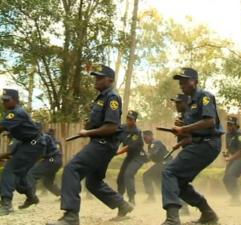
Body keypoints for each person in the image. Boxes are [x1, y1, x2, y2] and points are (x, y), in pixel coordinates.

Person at [47, 65, 132, 225]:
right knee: (93, 182)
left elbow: (112, 127)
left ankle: (71, 216)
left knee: (72, 169)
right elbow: (98, 123)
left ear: (110, 80)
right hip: (102, 144)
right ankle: (123, 205)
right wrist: (89, 127)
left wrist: (87, 133)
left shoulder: (112, 97)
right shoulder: (101, 98)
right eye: (96, 77)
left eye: (100, 77)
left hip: (103, 143)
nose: (96, 80)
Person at [161, 68, 223, 225]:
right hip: (200, 143)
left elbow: (210, 122)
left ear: (195, 81)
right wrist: (183, 128)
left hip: (208, 143)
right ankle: (208, 214)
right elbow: (192, 133)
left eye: (185, 81)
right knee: (179, 182)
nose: (182, 84)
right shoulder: (189, 104)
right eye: (180, 82)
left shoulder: (204, 96)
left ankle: (173, 218)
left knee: (169, 172)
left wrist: (184, 129)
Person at [0, 89, 46, 216]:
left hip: (32, 144)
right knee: (19, 174)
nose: (4, 102)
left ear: (15, 100)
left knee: (9, 170)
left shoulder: (15, 113)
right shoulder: (12, 113)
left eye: (7, 100)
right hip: (29, 144)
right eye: (3, 100)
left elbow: (1, 128)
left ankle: (6, 204)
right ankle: (31, 197)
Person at [18, 123, 62, 209]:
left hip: (51, 160)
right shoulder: (42, 137)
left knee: (31, 174)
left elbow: (40, 153)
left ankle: (31, 198)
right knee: (47, 182)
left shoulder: (42, 137)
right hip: (56, 160)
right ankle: (64, 195)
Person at [116, 110, 146, 206]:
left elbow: (128, 146)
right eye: (128, 118)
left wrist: (116, 153)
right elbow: (116, 136)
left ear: (135, 120)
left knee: (128, 175)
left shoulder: (136, 132)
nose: (129, 120)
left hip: (139, 157)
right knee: (120, 177)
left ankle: (131, 199)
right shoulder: (123, 127)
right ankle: (119, 198)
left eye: (131, 119)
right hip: (130, 156)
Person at [222, 116, 241, 206]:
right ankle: (233, 197)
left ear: (236, 125)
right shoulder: (228, 135)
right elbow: (228, 147)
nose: (229, 127)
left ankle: (236, 199)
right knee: (225, 179)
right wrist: (226, 153)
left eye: (231, 125)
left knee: (231, 176)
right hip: (235, 158)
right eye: (228, 125)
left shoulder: (239, 134)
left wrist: (230, 158)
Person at [142, 130, 169, 203]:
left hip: (165, 163)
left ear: (150, 136)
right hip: (161, 163)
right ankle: (166, 196)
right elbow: (150, 157)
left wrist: (144, 156)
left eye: (145, 138)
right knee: (157, 179)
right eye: (143, 138)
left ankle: (151, 197)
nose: (144, 140)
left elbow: (152, 153)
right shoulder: (150, 144)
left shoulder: (156, 142)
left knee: (146, 175)